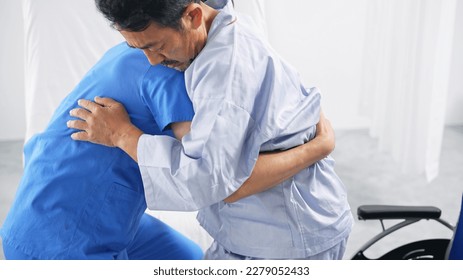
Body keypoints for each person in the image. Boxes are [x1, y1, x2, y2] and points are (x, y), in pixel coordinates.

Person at [68, 0, 353, 259]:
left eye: (156, 46)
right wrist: (318, 146)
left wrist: (121, 135)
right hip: (261, 229)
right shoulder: (218, 19)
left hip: (289, 237)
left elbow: (210, 181)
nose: (153, 61)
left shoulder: (223, 76)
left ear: (192, 15)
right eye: (139, 49)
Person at [1, 42, 333, 260]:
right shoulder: (165, 74)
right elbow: (216, 181)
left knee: (191, 260)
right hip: (56, 240)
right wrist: (317, 148)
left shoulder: (134, 50)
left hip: (64, 206)